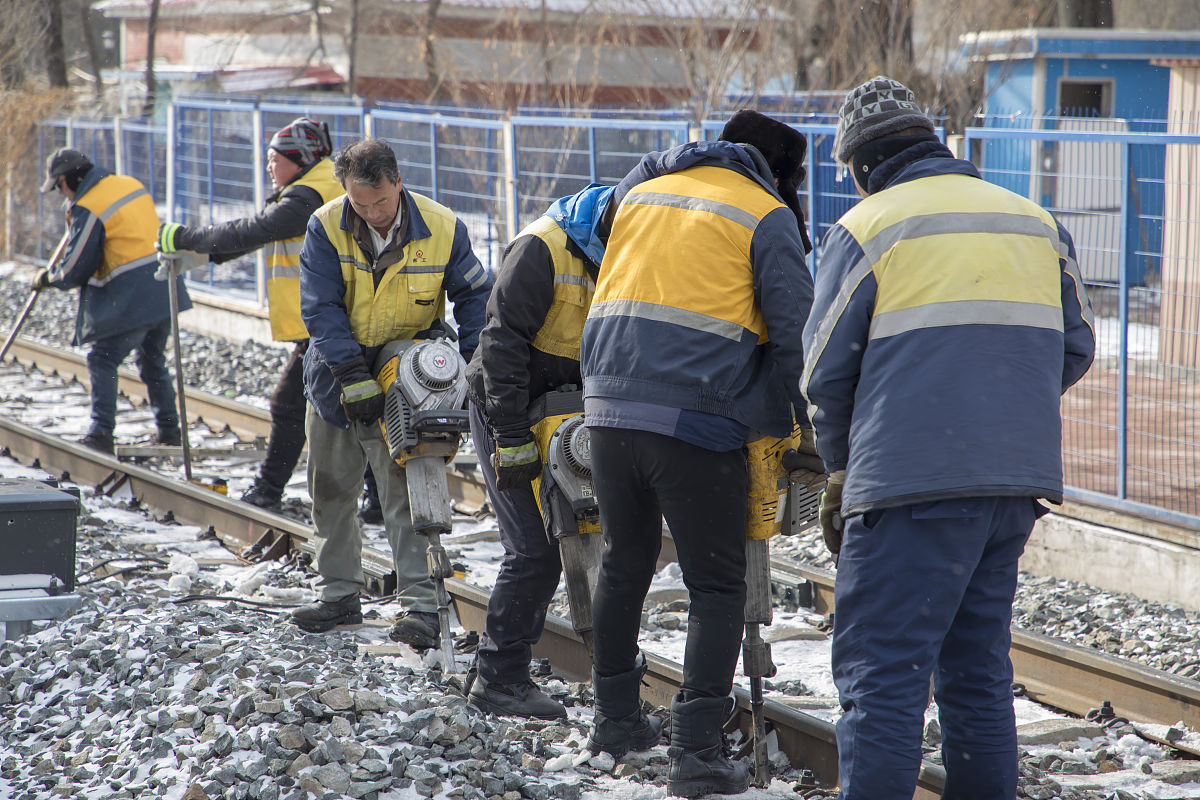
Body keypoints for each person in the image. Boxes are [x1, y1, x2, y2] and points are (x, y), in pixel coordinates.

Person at [801, 76, 1096, 800]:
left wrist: (842, 470)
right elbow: (1076, 345)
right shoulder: (1034, 221)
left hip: (907, 488)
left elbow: (822, 373)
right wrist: (997, 408)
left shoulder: (869, 226)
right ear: (933, 143)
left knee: (886, 684)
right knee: (977, 678)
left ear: (863, 166)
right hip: (1012, 486)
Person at [580, 110, 814, 798]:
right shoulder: (763, 213)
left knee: (625, 563)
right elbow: (796, 331)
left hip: (606, 409)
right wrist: (792, 423)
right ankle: (697, 748)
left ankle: (616, 718)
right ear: (778, 173)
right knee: (717, 586)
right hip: (696, 418)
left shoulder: (645, 186)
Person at [291, 138, 492, 645]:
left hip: (408, 376)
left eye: (380, 201)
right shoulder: (325, 226)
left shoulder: (443, 227)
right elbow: (320, 308)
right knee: (332, 487)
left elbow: (475, 298)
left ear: (398, 183)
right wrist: (351, 373)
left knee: (406, 492)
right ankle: (339, 593)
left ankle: (423, 606)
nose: (373, 213)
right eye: (360, 204)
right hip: (337, 375)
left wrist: (475, 368)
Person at [156, 117, 380, 517]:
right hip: (343, 319)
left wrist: (188, 238)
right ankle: (377, 499)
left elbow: (255, 229)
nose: (268, 167)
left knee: (290, 405)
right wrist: (205, 253)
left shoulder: (310, 195)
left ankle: (268, 490)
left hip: (332, 325)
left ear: (299, 160)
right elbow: (259, 233)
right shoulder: (318, 189)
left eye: (275, 158)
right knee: (353, 408)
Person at [464, 183, 615, 720]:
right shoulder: (541, 248)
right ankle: (498, 676)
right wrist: (509, 437)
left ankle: (612, 681)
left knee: (595, 539)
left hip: (570, 412)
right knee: (534, 549)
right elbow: (500, 343)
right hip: (507, 406)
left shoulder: (624, 248)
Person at [32, 148, 190, 455]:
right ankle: (170, 430)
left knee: (102, 359)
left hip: (132, 297)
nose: (60, 194)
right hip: (164, 288)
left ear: (69, 178)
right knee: (152, 360)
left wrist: (49, 278)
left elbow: (76, 267)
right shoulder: (127, 183)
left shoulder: (89, 205)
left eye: (59, 187)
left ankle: (101, 433)